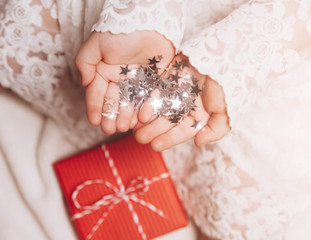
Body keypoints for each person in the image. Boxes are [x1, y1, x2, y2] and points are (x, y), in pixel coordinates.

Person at [1, 1, 311, 240]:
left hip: (276, 31)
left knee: (248, 199)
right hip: (124, 44)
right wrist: (143, 10)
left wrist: (237, 54)